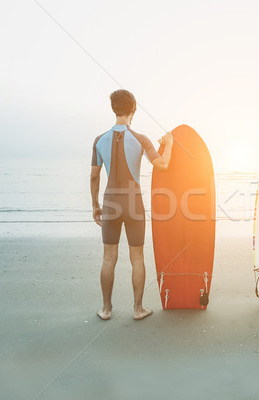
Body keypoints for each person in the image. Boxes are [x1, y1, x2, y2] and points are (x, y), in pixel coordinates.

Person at [90, 89, 173, 321]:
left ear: (113, 109)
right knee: (137, 257)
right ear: (133, 109)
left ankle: (106, 309)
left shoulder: (99, 140)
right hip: (133, 203)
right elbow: (163, 165)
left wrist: (95, 205)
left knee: (108, 257)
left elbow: (94, 177)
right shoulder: (141, 138)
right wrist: (170, 143)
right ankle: (138, 309)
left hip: (110, 203)